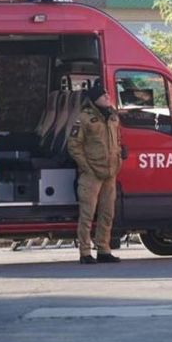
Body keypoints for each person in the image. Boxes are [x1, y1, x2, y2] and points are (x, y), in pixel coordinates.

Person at [68, 80, 123, 265]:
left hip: (110, 173)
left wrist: (120, 158)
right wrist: (86, 167)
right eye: (103, 95)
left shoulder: (113, 117)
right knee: (87, 214)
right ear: (95, 99)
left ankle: (103, 249)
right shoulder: (84, 118)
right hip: (91, 174)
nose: (108, 97)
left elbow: (118, 141)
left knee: (107, 214)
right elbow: (74, 145)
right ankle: (85, 252)